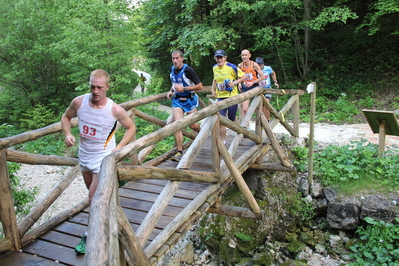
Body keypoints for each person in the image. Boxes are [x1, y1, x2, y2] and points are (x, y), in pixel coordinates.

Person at [61, 69, 136, 254]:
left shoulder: (115, 109)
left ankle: (89, 236)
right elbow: (66, 117)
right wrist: (68, 134)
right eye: (92, 86)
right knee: (95, 195)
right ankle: (115, 188)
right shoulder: (79, 102)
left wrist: (120, 148)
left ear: (107, 87)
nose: (95, 91)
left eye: (99, 88)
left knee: (92, 198)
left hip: (103, 157)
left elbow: (131, 127)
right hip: (84, 155)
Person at [166, 50, 203, 162]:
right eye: (173, 58)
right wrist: (170, 90)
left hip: (190, 100)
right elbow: (174, 82)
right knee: (178, 125)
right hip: (177, 100)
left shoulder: (188, 70)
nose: (175, 61)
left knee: (193, 126)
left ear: (182, 58)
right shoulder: (171, 69)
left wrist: (185, 89)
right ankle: (179, 151)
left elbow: (200, 86)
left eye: (177, 58)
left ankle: (203, 133)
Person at [211, 49, 246, 145]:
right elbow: (215, 79)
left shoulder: (232, 67)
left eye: (221, 57)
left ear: (225, 58)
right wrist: (213, 89)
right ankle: (223, 141)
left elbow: (244, 77)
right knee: (221, 120)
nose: (219, 60)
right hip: (221, 97)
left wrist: (234, 83)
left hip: (232, 97)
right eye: (217, 58)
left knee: (232, 118)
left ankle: (241, 133)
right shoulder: (214, 68)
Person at [238, 49, 265, 128]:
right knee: (245, 109)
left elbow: (262, 76)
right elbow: (237, 76)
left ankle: (261, 126)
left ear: (249, 56)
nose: (244, 57)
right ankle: (247, 126)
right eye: (243, 55)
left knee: (258, 108)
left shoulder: (254, 65)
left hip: (254, 86)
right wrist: (239, 83)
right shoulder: (240, 66)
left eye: (246, 55)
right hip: (245, 87)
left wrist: (252, 82)